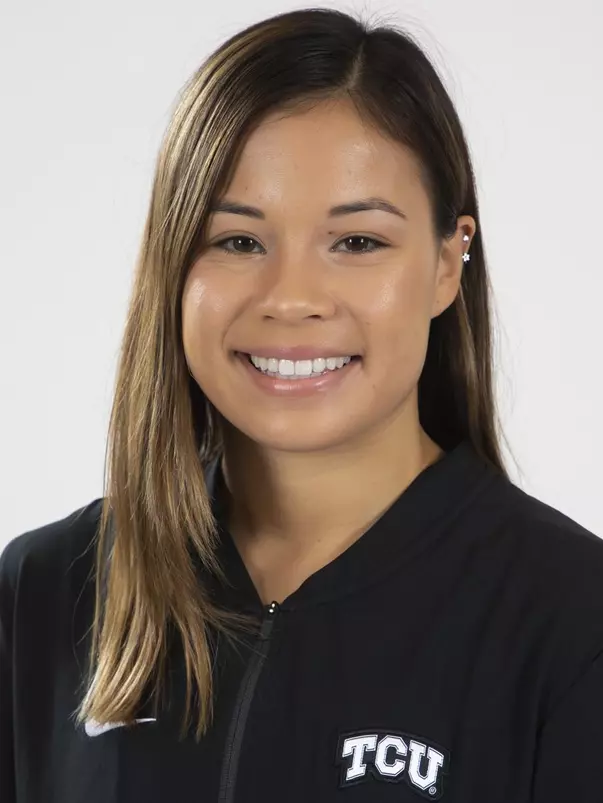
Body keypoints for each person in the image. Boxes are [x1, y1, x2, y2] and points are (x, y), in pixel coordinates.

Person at [1, 7, 602, 802]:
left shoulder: (570, 623)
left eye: (357, 242)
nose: (290, 299)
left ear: (447, 264)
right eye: (238, 241)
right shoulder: (44, 591)